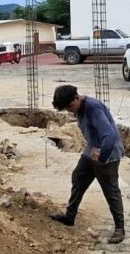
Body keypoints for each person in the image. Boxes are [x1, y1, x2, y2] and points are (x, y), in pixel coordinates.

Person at [49, 85, 125, 244]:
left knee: (110, 190)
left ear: (77, 98)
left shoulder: (93, 109)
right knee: (78, 177)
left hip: (108, 153)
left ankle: (119, 228)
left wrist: (103, 156)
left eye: (70, 107)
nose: (70, 111)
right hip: (92, 149)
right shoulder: (78, 108)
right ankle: (70, 216)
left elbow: (109, 134)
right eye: (66, 109)